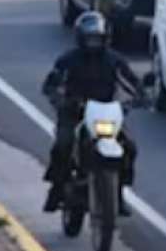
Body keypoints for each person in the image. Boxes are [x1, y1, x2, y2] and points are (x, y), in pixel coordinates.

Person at [41, 12, 145, 214]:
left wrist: (141, 97)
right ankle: (57, 186)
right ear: (81, 38)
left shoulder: (114, 60)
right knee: (64, 143)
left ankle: (118, 193)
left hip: (105, 113)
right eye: (90, 39)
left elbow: (132, 82)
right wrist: (60, 100)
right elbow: (51, 84)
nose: (93, 43)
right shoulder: (68, 60)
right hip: (75, 112)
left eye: (97, 39)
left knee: (129, 146)